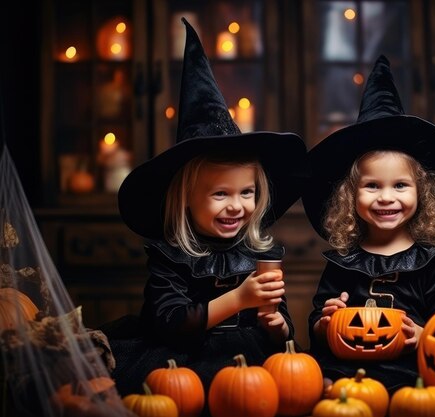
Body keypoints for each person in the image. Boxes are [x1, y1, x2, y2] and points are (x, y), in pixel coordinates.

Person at [103, 18, 308, 407]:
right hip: (184, 363)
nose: (237, 205)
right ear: (185, 199)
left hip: (250, 365)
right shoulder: (170, 257)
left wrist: (277, 325)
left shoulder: (255, 253)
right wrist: (237, 299)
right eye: (220, 194)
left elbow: (279, 322)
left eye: (247, 192)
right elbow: (167, 322)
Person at [303, 55, 435, 393]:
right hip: (346, 373)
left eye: (399, 185)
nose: (386, 197)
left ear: (422, 192)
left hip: (410, 375)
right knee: (311, 382)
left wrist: (426, 335)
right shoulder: (343, 261)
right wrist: (325, 322)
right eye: (372, 186)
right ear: (350, 196)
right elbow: (315, 323)